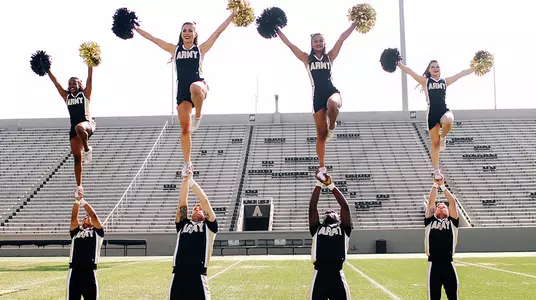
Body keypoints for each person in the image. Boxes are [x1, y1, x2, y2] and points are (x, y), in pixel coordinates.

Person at [134, 12, 235, 178]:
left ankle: (199, 116)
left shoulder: (201, 49)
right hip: (182, 93)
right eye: (184, 30)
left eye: (190, 30)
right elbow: (153, 39)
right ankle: (188, 163)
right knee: (185, 130)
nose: (187, 33)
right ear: (181, 34)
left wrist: (233, 14)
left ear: (195, 34)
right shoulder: (175, 49)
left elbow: (218, 32)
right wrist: (136, 29)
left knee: (195, 87)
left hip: (199, 86)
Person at [275, 22, 358, 181]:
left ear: (324, 43)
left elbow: (342, 38)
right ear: (312, 44)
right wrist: (276, 29)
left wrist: (355, 23)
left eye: (321, 41)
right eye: (315, 41)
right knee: (320, 134)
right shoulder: (306, 58)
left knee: (333, 105)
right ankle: (321, 168)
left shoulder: (330, 56)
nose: (318, 43)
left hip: (331, 91)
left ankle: (332, 126)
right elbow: (289, 44)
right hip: (317, 96)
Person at [397, 60, 474, 179]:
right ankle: (436, 170)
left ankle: (443, 137)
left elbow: (461, 74)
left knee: (449, 121)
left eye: (437, 66)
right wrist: (399, 64)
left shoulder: (445, 81)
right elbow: (410, 72)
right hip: (432, 113)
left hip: (443, 110)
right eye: (432, 67)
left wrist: (476, 67)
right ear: (428, 70)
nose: (435, 68)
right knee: (434, 143)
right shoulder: (425, 81)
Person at [47, 67, 96, 200]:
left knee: (79, 129)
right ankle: (79, 186)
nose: (71, 85)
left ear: (80, 84)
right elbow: (55, 82)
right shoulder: (66, 96)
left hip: (87, 124)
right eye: (69, 83)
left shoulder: (85, 94)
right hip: (73, 128)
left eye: (74, 83)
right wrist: (48, 70)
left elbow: (90, 78)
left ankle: (87, 149)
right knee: (76, 159)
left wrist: (90, 64)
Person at [169, 176, 217, 299]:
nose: (196, 209)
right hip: (178, 274)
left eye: (199, 209)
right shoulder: (183, 224)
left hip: (197, 275)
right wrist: (185, 179)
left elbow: (204, 200)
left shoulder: (209, 227)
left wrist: (191, 181)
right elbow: (182, 202)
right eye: (195, 208)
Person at [308, 174, 352, 300]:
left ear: (339, 218)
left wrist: (331, 185)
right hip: (319, 275)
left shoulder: (344, 229)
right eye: (327, 212)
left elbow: (345, 206)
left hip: (337, 276)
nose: (330, 211)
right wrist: (319, 184)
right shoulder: (316, 228)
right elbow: (312, 208)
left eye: (333, 211)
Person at [424, 174, 460, 300]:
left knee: (453, 296)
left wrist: (443, 185)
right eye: (439, 206)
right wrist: (435, 184)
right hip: (433, 264)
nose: (441, 206)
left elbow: (452, 202)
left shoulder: (452, 222)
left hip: (448, 264)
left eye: (444, 206)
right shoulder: (430, 221)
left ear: (449, 211)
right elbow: (431, 202)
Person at [67, 198, 104, 300]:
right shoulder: (76, 232)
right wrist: (77, 201)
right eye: (84, 217)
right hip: (74, 271)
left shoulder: (97, 233)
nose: (86, 218)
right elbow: (73, 218)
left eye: (88, 217)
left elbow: (93, 215)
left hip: (89, 272)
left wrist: (82, 201)